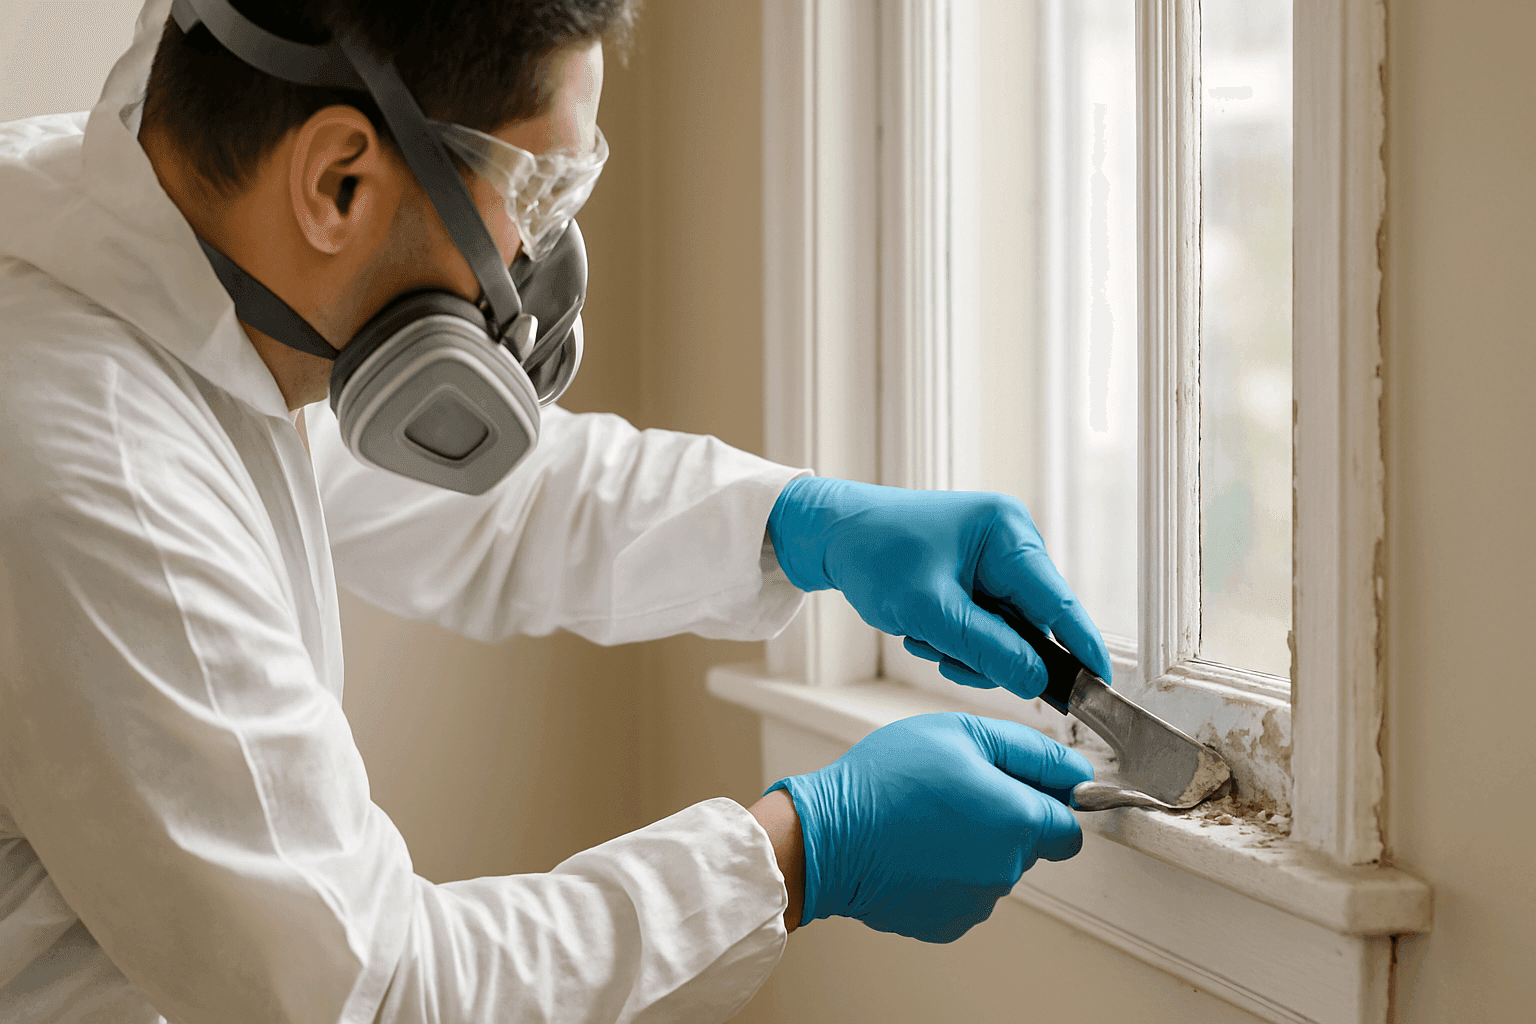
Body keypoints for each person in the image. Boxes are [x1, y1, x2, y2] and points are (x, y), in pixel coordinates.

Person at [0, 1, 1114, 1021]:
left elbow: (473, 496)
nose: (538, 258)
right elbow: (380, 992)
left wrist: (796, 522)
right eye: (537, 193)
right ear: (338, 182)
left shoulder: (176, 248)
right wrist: (800, 852)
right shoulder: (90, 467)